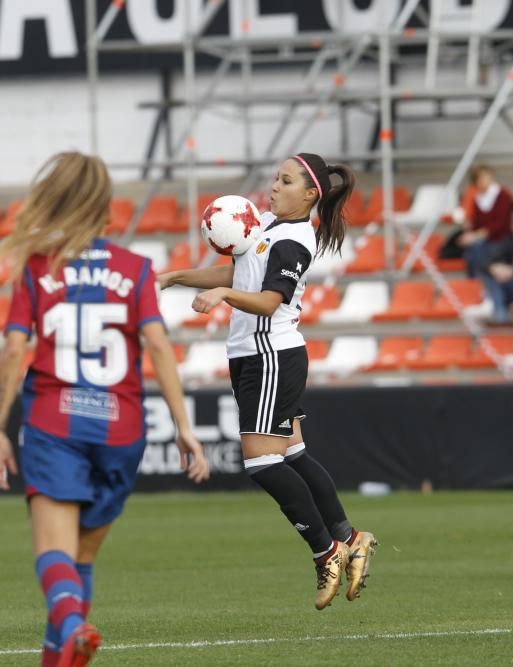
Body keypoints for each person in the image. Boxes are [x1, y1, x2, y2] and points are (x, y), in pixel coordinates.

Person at [0, 152, 210, 667]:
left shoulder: (39, 268)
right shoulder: (138, 269)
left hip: (55, 423)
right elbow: (157, 346)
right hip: (121, 429)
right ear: (105, 209)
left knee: (54, 557)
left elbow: (15, 349)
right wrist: (184, 428)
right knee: (80, 560)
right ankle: (66, 645)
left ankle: (76, 624)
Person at [158, 153, 377, 610]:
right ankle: (350, 538)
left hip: (270, 356)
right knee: (293, 455)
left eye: (286, 180)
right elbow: (240, 274)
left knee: (262, 464)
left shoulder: (295, 240)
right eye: (275, 179)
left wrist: (221, 295)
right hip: (254, 356)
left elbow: (270, 300)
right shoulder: (272, 230)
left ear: (310, 194)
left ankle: (326, 551)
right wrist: (177, 276)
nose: (273, 187)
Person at [458, 164, 513, 277]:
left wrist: (475, 236)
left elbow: (500, 224)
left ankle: (483, 281)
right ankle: (476, 283)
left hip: (500, 239)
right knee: (471, 253)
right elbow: (476, 223)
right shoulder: (477, 197)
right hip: (484, 239)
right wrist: (468, 232)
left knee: (477, 251)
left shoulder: (502, 195)